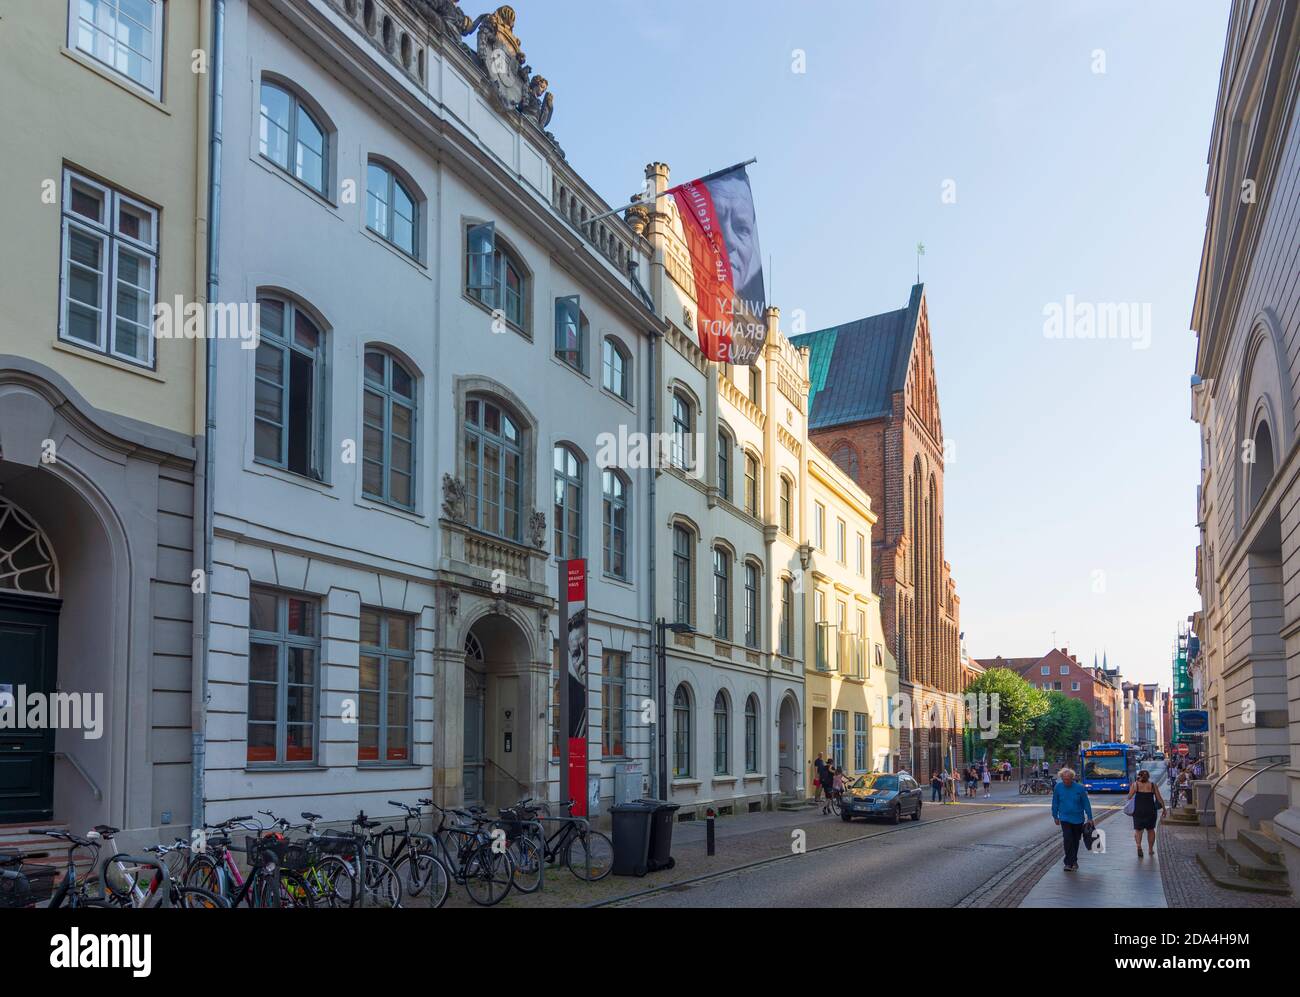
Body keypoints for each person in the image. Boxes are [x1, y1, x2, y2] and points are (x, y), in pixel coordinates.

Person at [1051, 767, 1094, 871]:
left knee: (1075, 840)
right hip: (1065, 818)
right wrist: (1055, 816)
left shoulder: (1079, 788)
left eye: (1068, 779)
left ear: (1072, 778)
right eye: (1064, 779)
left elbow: (1086, 803)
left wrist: (1090, 817)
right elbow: (1055, 802)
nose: (1066, 781)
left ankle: (1074, 861)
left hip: (1078, 818)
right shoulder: (1058, 787)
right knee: (1067, 839)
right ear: (1061, 778)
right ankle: (1068, 863)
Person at [1127, 768, 1165, 857]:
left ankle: (1139, 846)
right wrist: (1164, 809)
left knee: (1138, 830)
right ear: (1148, 777)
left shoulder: (1135, 785)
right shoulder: (1153, 785)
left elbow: (1129, 796)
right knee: (1151, 830)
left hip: (1138, 810)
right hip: (1150, 810)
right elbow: (1159, 798)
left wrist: (1133, 787)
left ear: (1139, 776)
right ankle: (1151, 849)